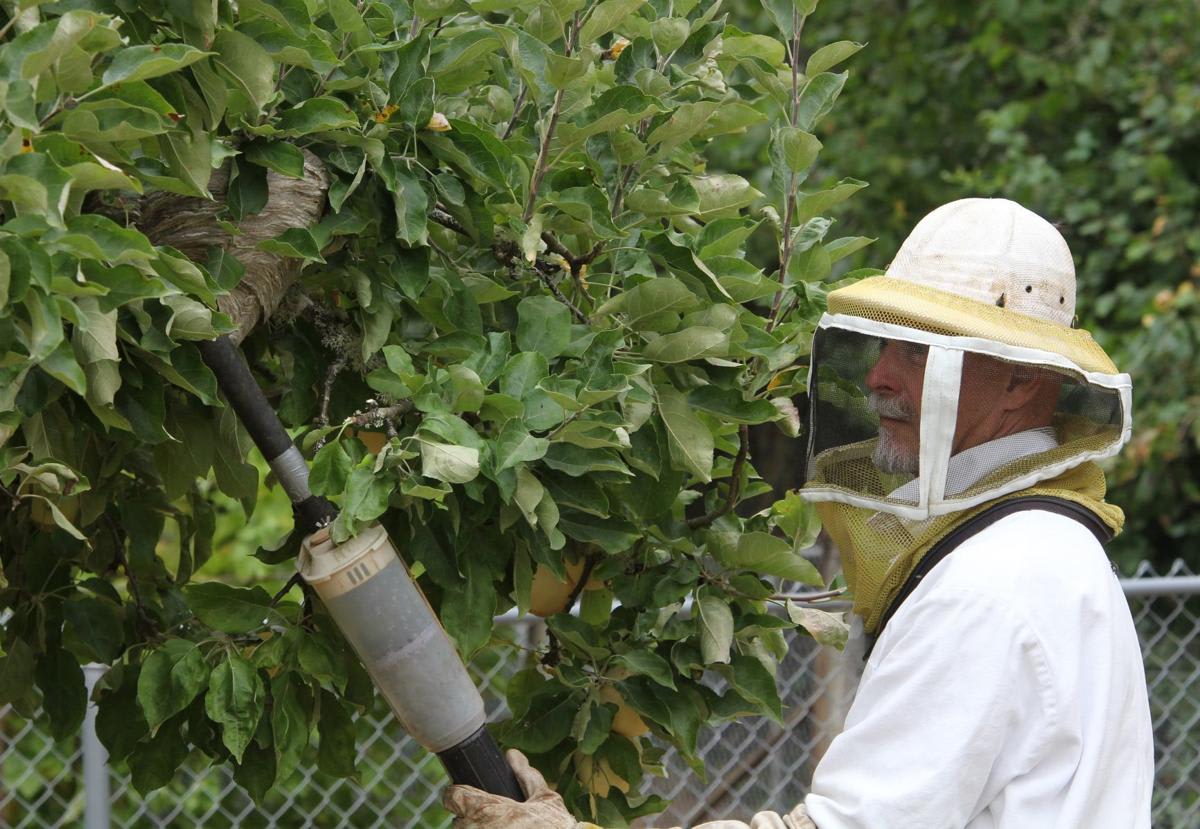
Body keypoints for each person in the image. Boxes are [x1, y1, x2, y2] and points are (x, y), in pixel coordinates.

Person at [443, 198, 1154, 828]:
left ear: (1020, 379)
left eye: (915, 351)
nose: (879, 375)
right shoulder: (1036, 546)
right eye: (883, 343)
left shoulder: (995, 580)